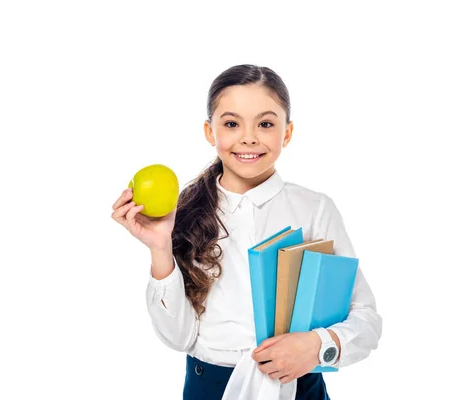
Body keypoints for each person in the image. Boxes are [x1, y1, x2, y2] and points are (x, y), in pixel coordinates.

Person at [111, 64, 382, 400]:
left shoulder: (316, 209)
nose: (249, 137)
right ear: (211, 133)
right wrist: (160, 249)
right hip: (210, 387)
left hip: (298, 386)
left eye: (265, 124)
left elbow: (366, 320)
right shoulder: (182, 214)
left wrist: (316, 346)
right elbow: (177, 338)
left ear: (287, 132)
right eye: (231, 123)